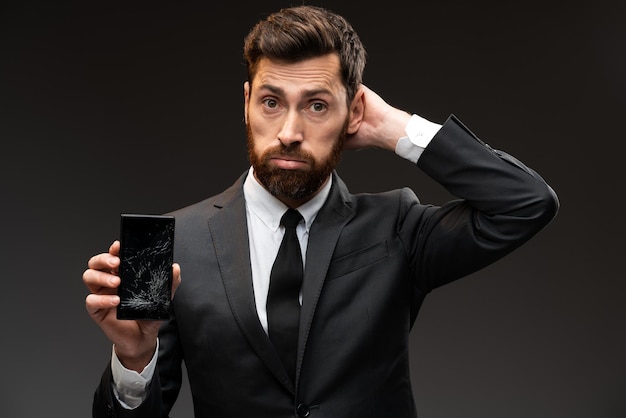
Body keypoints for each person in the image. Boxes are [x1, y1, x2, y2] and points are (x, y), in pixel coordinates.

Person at [83, 5, 559, 418]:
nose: (289, 131)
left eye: (316, 106)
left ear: (353, 113)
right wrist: (133, 361)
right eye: (271, 102)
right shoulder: (169, 241)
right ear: (246, 103)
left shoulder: (397, 226)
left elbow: (525, 204)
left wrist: (396, 127)